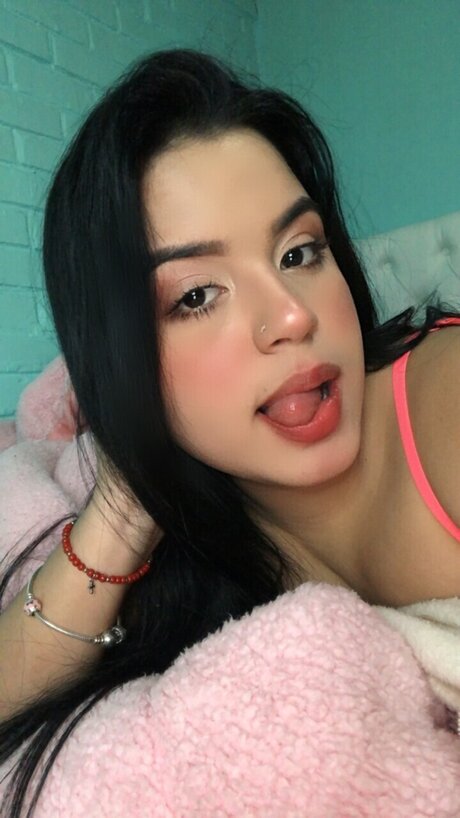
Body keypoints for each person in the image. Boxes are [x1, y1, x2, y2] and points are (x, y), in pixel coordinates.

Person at [0, 47, 459, 816]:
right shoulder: (200, 529)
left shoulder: (445, 400)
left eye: (299, 253)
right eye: (197, 296)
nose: (293, 315)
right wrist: (127, 497)